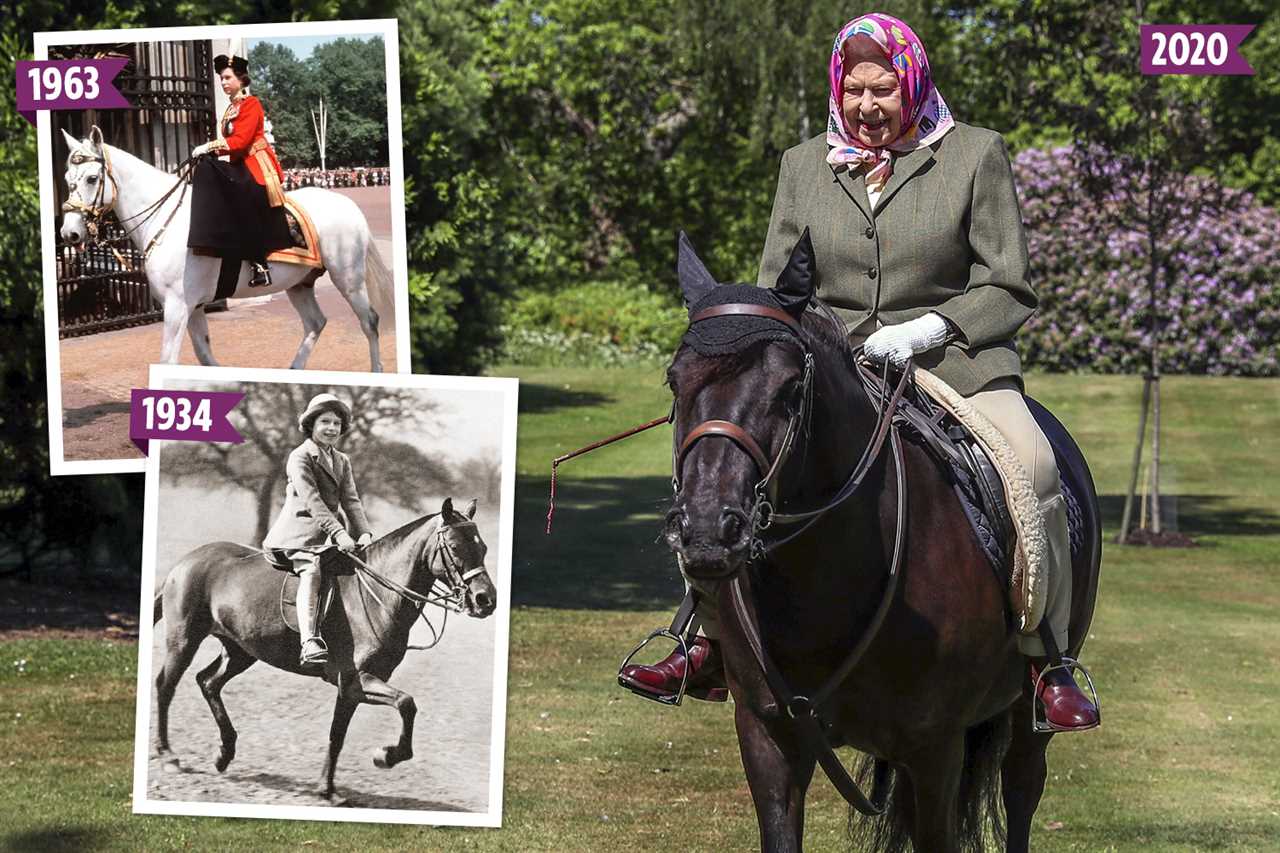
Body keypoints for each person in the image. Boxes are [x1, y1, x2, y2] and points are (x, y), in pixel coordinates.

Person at [619, 12, 1099, 732]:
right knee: (728, 462)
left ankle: (1046, 657)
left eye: (884, 90)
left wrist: (930, 329)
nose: (869, 106)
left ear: (912, 83)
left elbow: (1009, 284)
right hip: (832, 364)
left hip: (955, 362)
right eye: (856, 91)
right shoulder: (802, 165)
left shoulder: (973, 155)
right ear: (837, 90)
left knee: (1031, 462)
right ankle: (707, 639)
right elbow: (778, 289)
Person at [262, 393, 373, 666]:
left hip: (330, 537)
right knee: (311, 570)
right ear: (311, 424)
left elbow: (351, 500)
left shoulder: (342, 460)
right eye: (325, 421)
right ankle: (309, 640)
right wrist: (340, 534)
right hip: (296, 537)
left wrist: (364, 532)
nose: (332, 428)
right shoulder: (299, 457)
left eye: (336, 423)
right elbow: (313, 502)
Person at [187, 53, 291, 287]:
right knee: (206, 169)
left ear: (241, 79)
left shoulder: (251, 104)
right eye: (221, 78)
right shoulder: (231, 108)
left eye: (227, 77)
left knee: (241, 195)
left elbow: (241, 141)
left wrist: (209, 146)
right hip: (239, 163)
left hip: (256, 165)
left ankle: (260, 263)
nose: (223, 82)